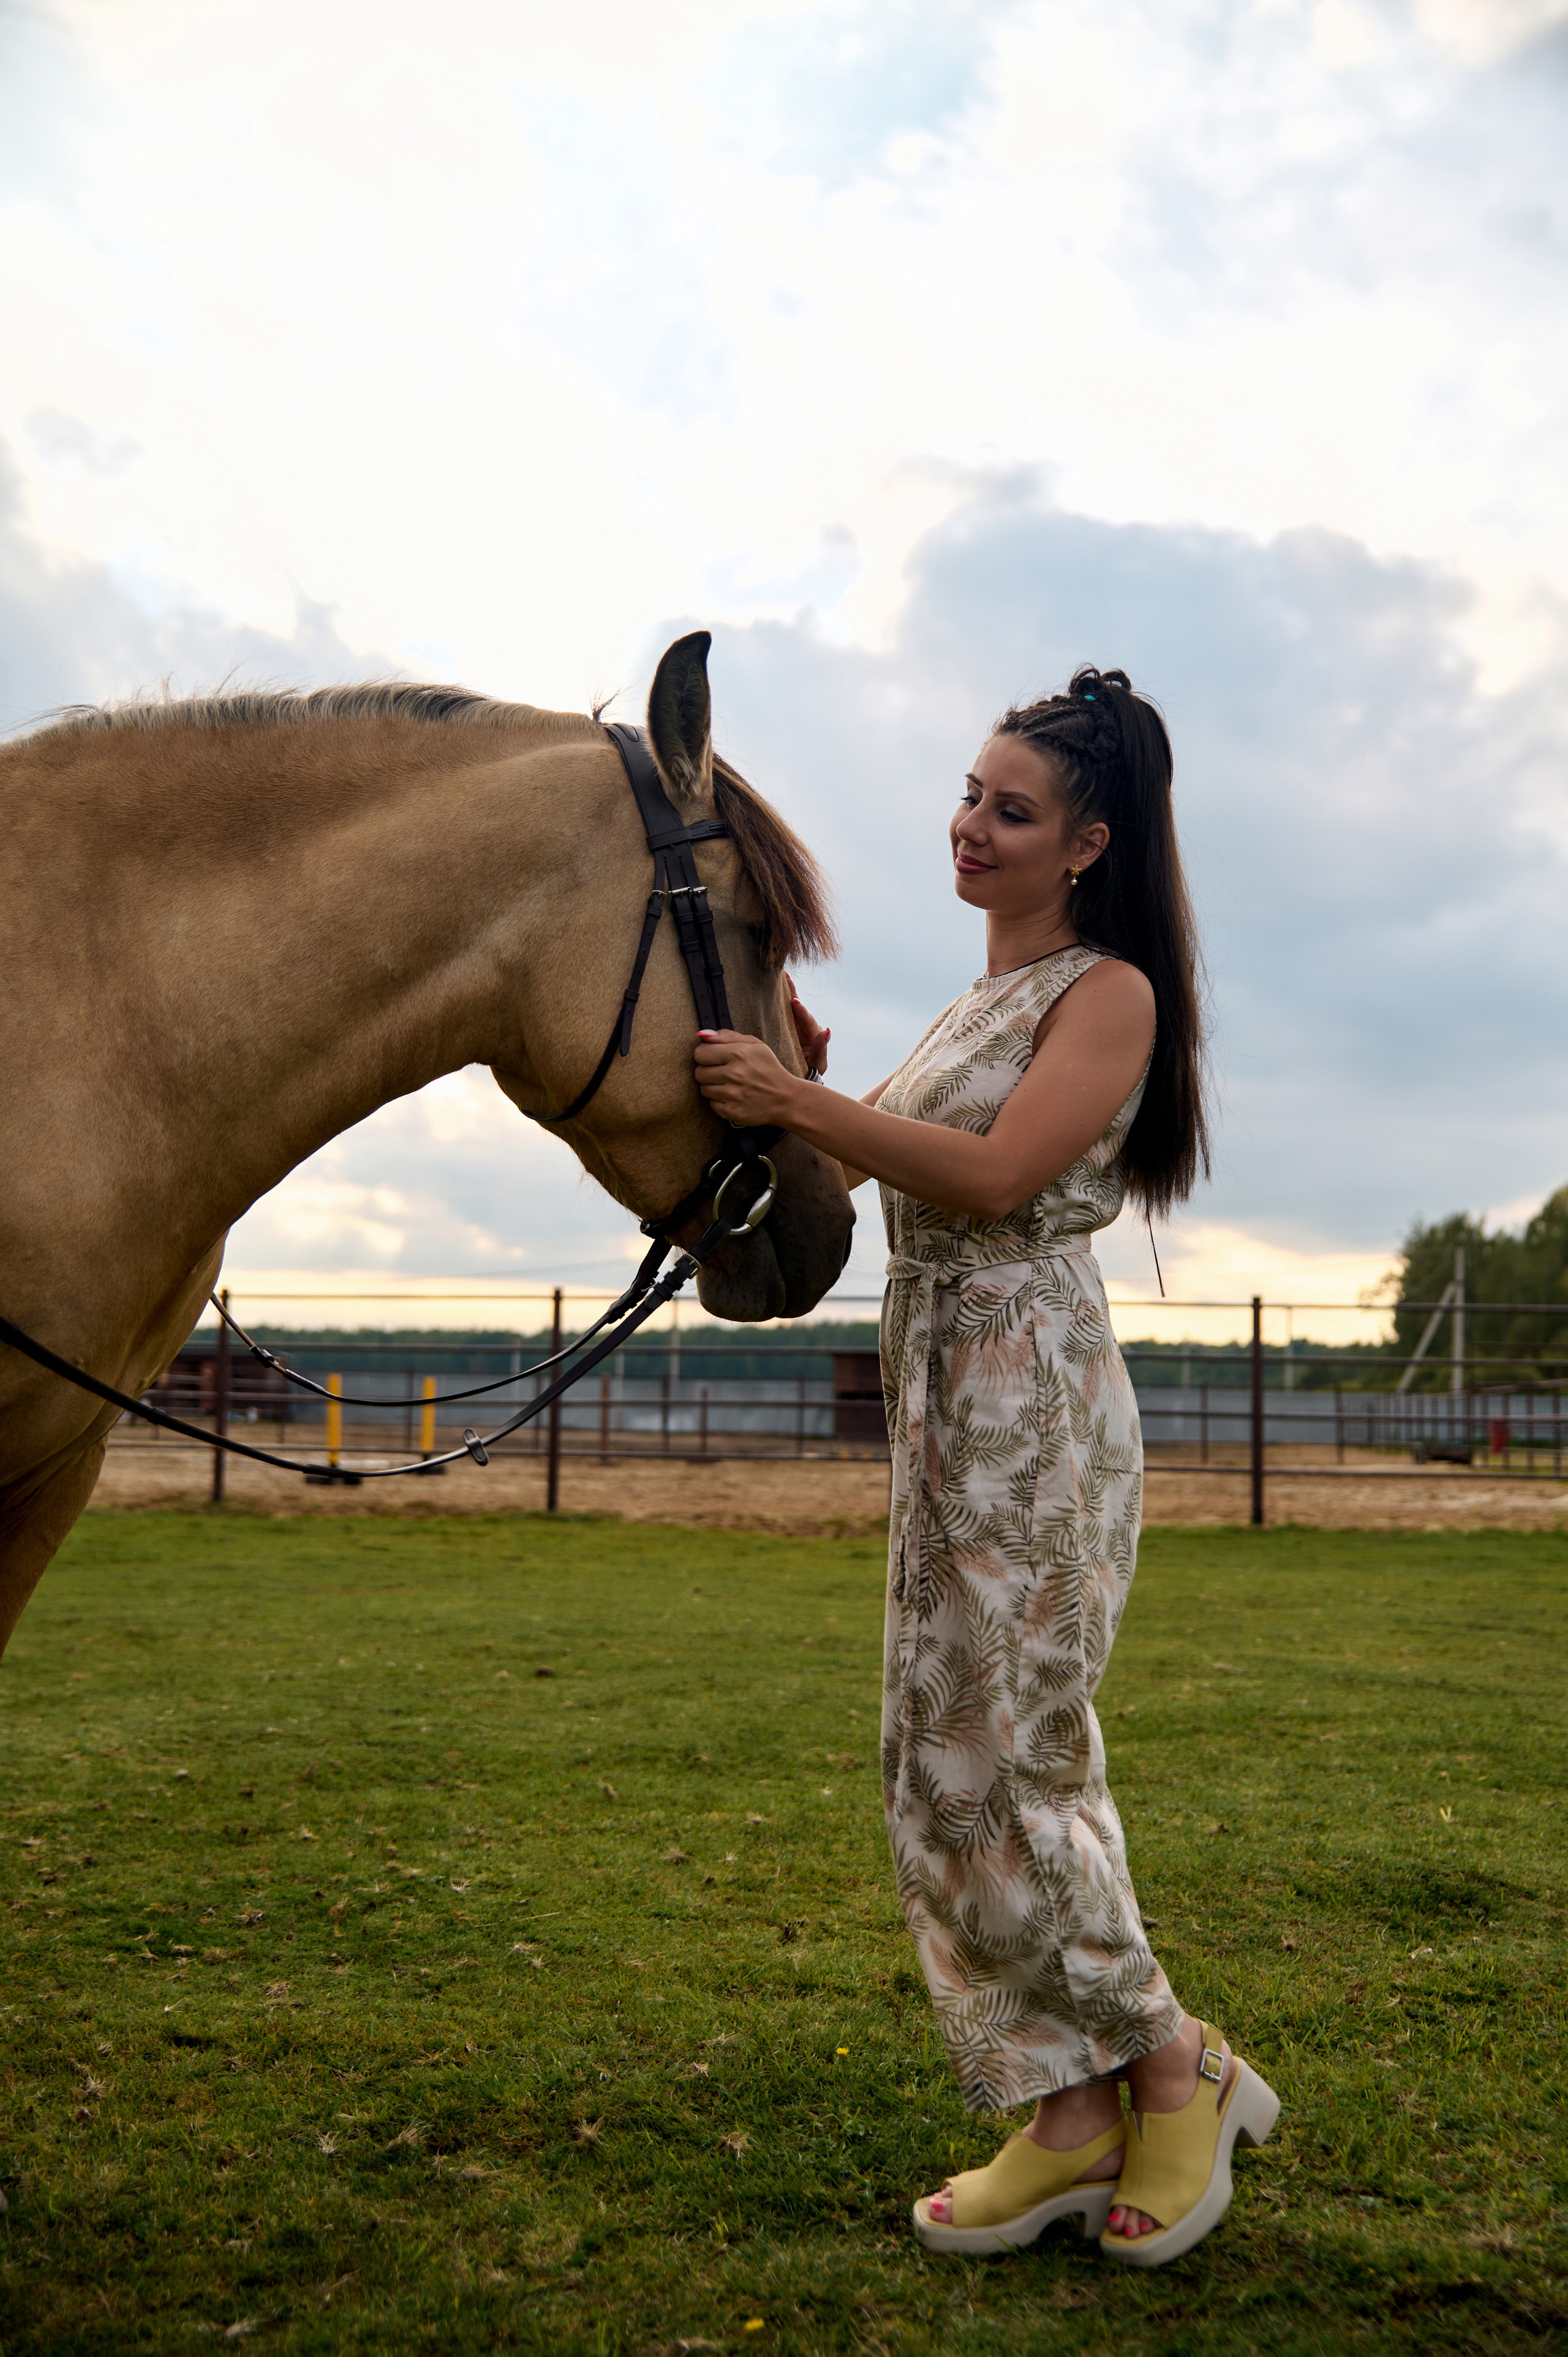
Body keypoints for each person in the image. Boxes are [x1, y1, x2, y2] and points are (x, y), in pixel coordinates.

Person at [693, 666, 1278, 2269]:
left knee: (1022, 1746)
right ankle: (1068, 2111)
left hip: (1029, 1389)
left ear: (1087, 843)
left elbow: (1001, 1174)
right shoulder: (970, 1005)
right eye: (967, 793)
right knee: (938, 1758)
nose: (969, 826)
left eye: (1008, 811)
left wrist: (812, 1101)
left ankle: (1175, 2067)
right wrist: (804, 1084)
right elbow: (886, 1154)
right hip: (943, 1388)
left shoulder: (1110, 994)